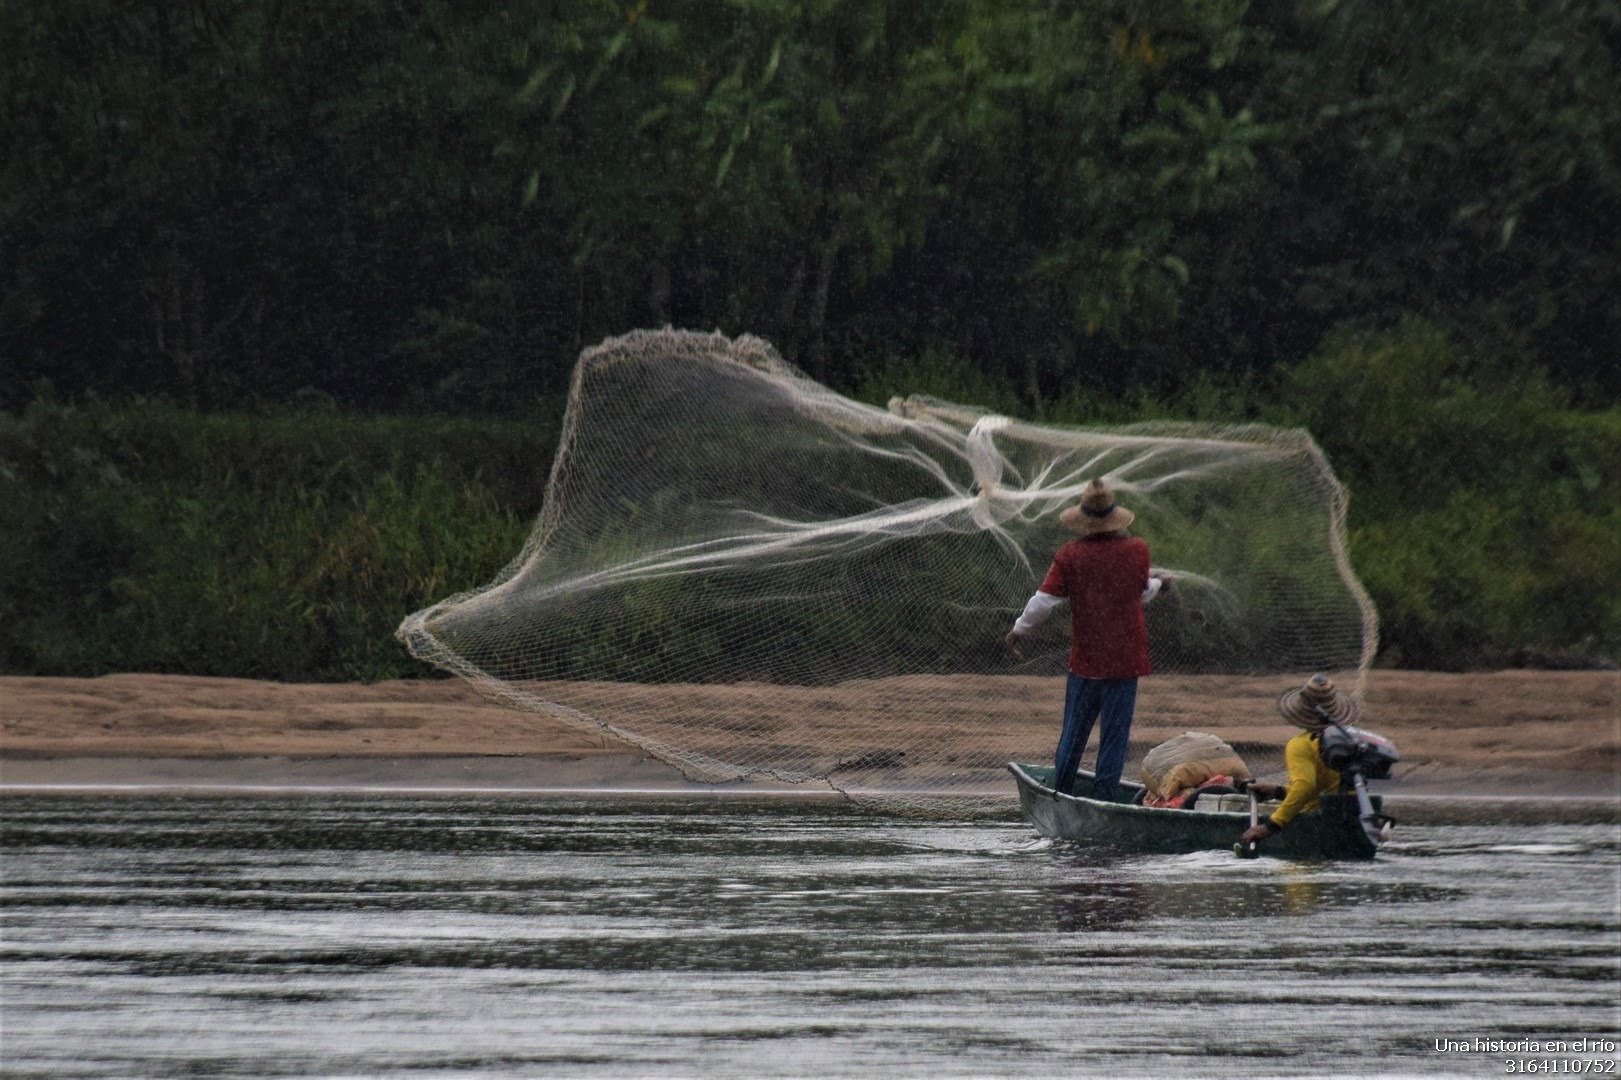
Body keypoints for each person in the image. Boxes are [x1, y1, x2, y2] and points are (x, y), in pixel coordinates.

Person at [1004, 478, 1166, 800]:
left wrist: (1018, 630)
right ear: (1115, 517)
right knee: (1114, 739)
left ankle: (1060, 796)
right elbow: (1142, 593)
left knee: (1073, 736)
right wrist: (1161, 584)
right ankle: (1105, 801)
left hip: (1086, 663)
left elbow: (1043, 602)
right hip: (1125, 663)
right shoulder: (1137, 550)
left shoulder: (1070, 556)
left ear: (1083, 521)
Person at [1239, 673, 1356, 846]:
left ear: (1300, 710)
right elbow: (1327, 789)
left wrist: (1270, 826)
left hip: (1318, 829)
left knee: (1295, 872)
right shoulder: (1351, 741)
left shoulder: (1301, 745)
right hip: (1354, 822)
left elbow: (1304, 786)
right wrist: (1278, 792)